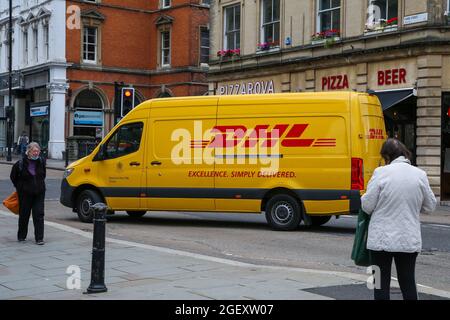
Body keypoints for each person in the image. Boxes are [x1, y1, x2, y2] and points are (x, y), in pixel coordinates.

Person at [361, 138, 436, 300]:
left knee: (379, 283)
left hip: (381, 241)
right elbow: (430, 206)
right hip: (408, 239)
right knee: (408, 282)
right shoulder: (420, 175)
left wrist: (364, 197)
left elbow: (367, 206)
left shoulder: (380, 172)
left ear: (387, 156)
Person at [10, 142, 46, 245]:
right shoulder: (20, 164)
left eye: (37, 151)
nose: (36, 153)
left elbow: (43, 175)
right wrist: (20, 188)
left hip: (39, 193)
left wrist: (40, 186)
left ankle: (39, 238)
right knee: (24, 215)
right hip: (25, 194)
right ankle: (21, 236)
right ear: (28, 151)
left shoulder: (41, 161)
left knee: (39, 214)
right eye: (34, 151)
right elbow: (13, 177)